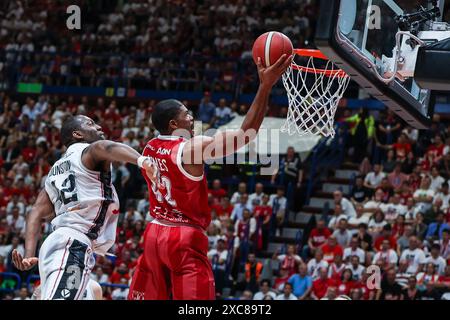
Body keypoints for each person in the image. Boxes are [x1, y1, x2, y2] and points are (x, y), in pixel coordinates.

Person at [128, 54, 293, 300]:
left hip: (153, 233)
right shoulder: (192, 147)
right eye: (186, 114)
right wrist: (265, 86)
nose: (192, 117)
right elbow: (245, 135)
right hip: (184, 237)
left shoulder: (149, 146)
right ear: (174, 123)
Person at [12, 115, 157, 300]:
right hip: (72, 244)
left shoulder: (55, 170)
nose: (98, 127)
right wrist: (142, 160)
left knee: (93, 290)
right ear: (77, 134)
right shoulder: (88, 152)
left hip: (62, 243)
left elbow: (35, 213)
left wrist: (29, 254)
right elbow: (104, 147)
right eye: (90, 124)